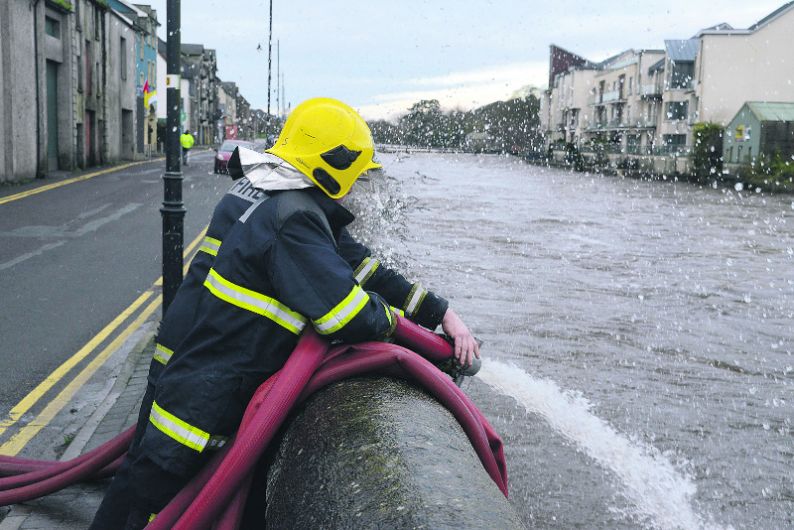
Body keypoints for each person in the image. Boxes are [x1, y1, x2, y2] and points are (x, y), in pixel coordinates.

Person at [90, 97, 479, 529]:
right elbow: (344, 314)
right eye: (357, 173)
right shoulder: (295, 216)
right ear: (336, 165)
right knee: (151, 508)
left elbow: (357, 264)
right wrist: (395, 323)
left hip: (197, 375)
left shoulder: (278, 192)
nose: (360, 185)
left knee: (139, 490)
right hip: (201, 403)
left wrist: (440, 312)